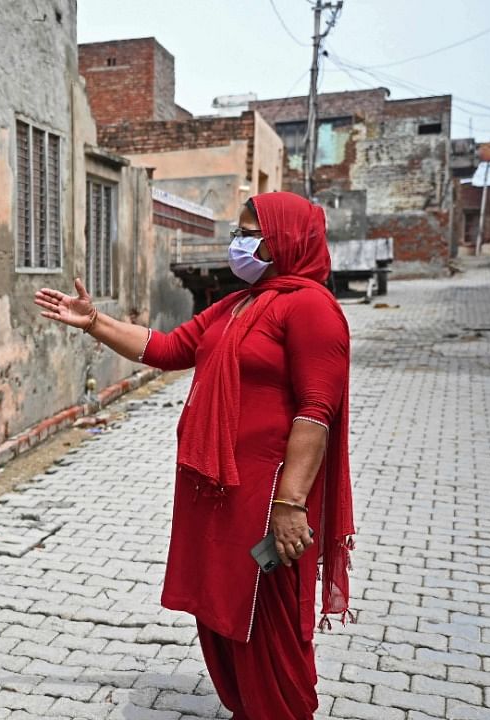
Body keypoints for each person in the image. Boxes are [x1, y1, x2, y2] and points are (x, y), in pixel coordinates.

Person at [35, 191, 354, 719]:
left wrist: (290, 503)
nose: (238, 243)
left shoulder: (311, 308)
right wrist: (94, 321)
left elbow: (315, 411)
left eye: (251, 232)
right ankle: (246, 707)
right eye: (238, 231)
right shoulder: (237, 305)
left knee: (267, 621)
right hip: (216, 491)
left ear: (287, 239)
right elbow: (165, 348)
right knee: (220, 610)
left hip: (267, 494)